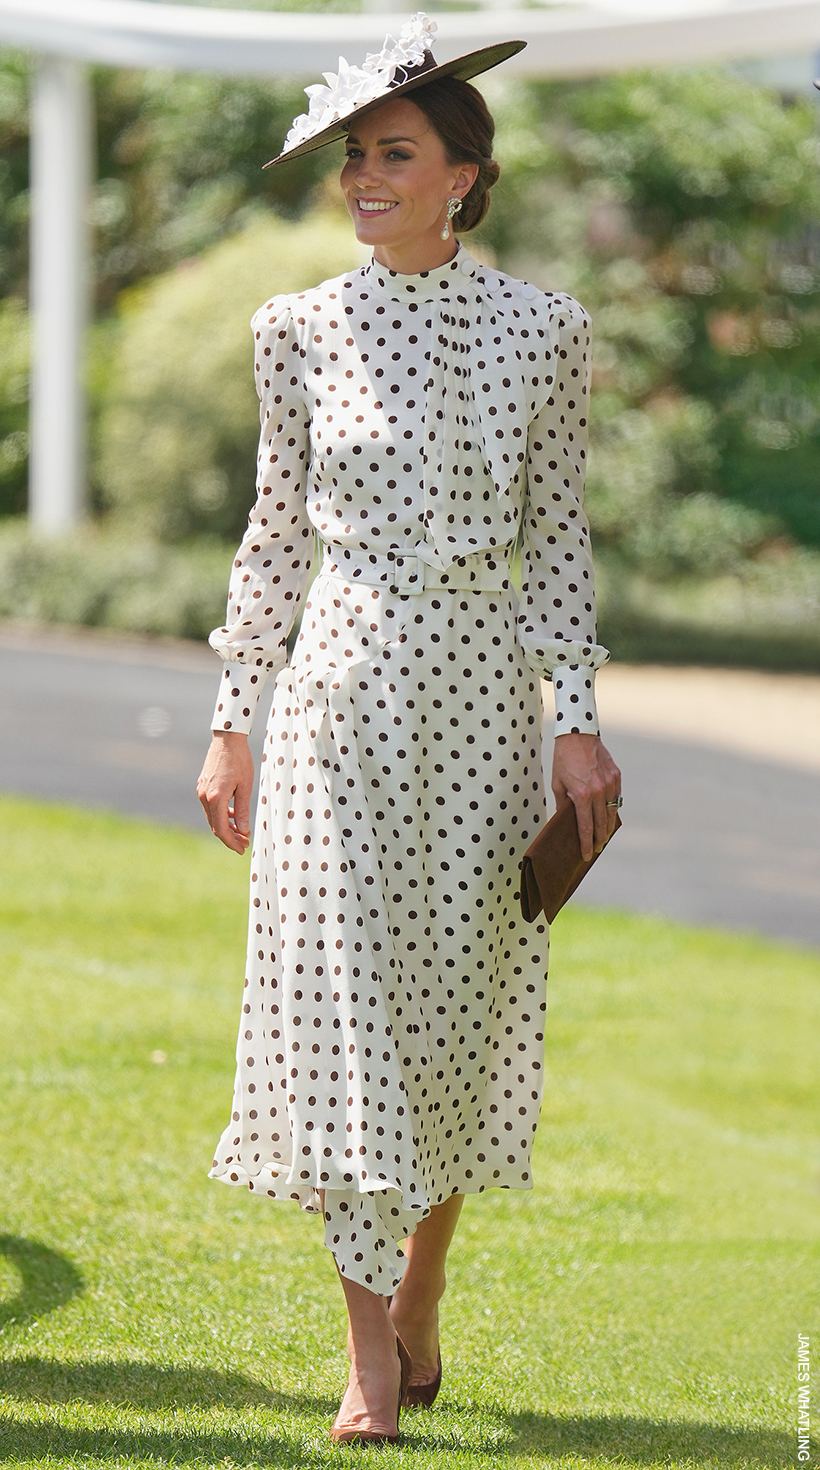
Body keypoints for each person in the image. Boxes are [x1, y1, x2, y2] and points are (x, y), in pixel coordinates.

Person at [197, 11, 621, 1445]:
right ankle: (368, 1356)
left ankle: (423, 1295)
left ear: (464, 172)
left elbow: (555, 540)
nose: (364, 178)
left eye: (393, 154)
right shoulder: (294, 330)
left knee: (450, 1019)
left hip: (482, 707)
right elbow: (269, 544)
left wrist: (580, 725)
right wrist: (230, 722)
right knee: (344, 1021)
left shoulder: (547, 329)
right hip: (334, 704)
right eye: (352, 159)